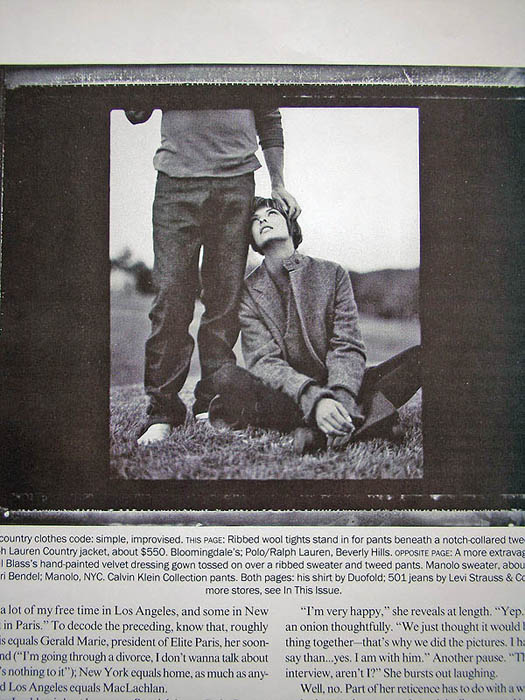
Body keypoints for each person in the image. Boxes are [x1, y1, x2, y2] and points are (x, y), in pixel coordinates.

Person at [124, 109, 300, 445]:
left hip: (236, 182)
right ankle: (162, 412)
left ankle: (211, 403)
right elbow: (135, 112)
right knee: (171, 295)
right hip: (175, 181)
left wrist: (278, 182)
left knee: (225, 299)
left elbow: (268, 116)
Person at [207, 197, 422, 454]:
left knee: (421, 356)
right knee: (227, 378)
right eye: (255, 220)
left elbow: (347, 345)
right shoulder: (248, 292)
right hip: (288, 393)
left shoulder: (333, 273)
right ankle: (366, 418)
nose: (263, 220)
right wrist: (315, 400)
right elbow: (264, 361)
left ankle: (319, 431)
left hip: (340, 382)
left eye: (272, 214)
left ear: (291, 224)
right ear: (251, 239)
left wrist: (341, 397)